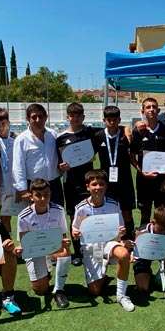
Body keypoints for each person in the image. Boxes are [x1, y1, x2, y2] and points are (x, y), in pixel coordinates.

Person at [71, 170, 135, 312]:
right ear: (87, 186)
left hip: (109, 243)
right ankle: (102, 274)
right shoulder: (81, 208)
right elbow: (74, 230)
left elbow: (120, 228)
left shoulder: (113, 204)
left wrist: (122, 233)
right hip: (91, 247)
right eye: (94, 184)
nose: (98, 188)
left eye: (101, 184)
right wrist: (75, 233)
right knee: (95, 291)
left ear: (106, 186)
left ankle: (121, 295)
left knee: (123, 254)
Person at [15, 179, 71, 309]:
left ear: (50, 193)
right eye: (38, 195)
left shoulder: (58, 210)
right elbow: (24, 243)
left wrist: (64, 243)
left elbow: (63, 237)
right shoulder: (23, 216)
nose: (42, 198)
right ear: (31, 196)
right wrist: (20, 249)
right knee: (40, 290)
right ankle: (46, 272)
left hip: (53, 249)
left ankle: (59, 290)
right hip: (35, 252)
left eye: (46, 194)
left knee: (65, 251)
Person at [56, 102, 95, 266]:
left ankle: (92, 250)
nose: (75, 118)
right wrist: (61, 166)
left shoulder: (90, 133)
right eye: (72, 115)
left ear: (83, 117)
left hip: (88, 183)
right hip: (70, 183)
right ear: (68, 117)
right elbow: (58, 163)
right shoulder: (61, 138)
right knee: (74, 217)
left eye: (79, 115)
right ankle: (78, 252)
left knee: (90, 215)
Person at [93, 105, 136, 240]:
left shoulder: (125, 134)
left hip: (125, 180)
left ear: (119, 120)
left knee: (126, 213)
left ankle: (129, 240)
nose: (112, 122)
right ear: (104, 120)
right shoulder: (98, 136)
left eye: (115, 119)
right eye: (109, 119)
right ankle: (108, 239)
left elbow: (135, 154)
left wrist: (127, 129)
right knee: (107, 212)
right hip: (106, 182)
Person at [130, 97, 165, 226]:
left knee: (163, 215)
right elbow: (132, 156)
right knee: (144, 214)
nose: (151, 110)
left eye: (154, 107)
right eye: (148, 107)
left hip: (162, 181)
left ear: (158, 110)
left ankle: (161, 243)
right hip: (144, 181)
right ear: (142, 111)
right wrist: (142, 172)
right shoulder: (138, 132)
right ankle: (144, 243)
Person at [12, 103, 63, 206]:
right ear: (28, 118)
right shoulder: (21, 139)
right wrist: (22, 189)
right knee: (36, 220)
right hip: (34, 187)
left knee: (57, 217)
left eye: (41, 116)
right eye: (34, 117)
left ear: (46, 117)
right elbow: (18, 166)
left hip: (54, 184)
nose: (38, 120)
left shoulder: (53, 135)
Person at [133, 206, 165, 296]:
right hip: (143, 259)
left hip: (161, 254)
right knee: (143, 288)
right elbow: (136, 256)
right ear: (153, 222)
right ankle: (147, 274)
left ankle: (160, 275)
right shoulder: (142, 232)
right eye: (160, 230)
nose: (163, 233)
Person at [0, 107, 22, 229]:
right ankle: (8, 245)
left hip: (18, 186)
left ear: (8, 122)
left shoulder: (17, 139)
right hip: (2, 186)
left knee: (23, 217)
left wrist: (20, 187)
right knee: (5, 218)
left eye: (2, 123)